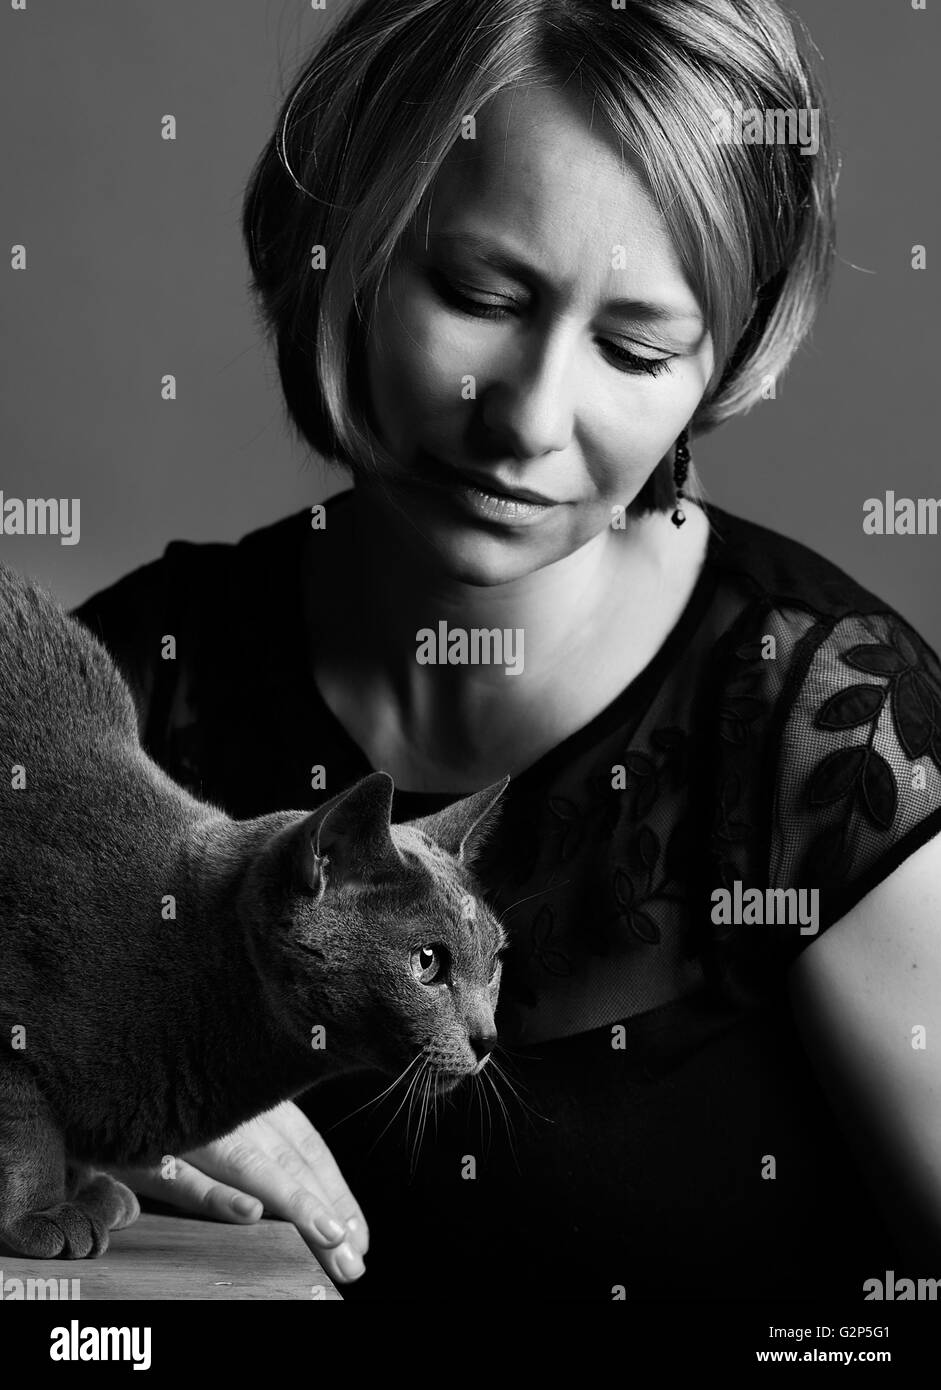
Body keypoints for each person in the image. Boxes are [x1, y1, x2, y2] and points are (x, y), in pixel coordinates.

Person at [71, 0, 941, 1299]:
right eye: (478, 295)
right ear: (339, 250)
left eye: (635, 347)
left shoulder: (835, 727)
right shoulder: (133, 682)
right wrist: (87, 1102)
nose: (529, 416)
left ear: (721, 363)